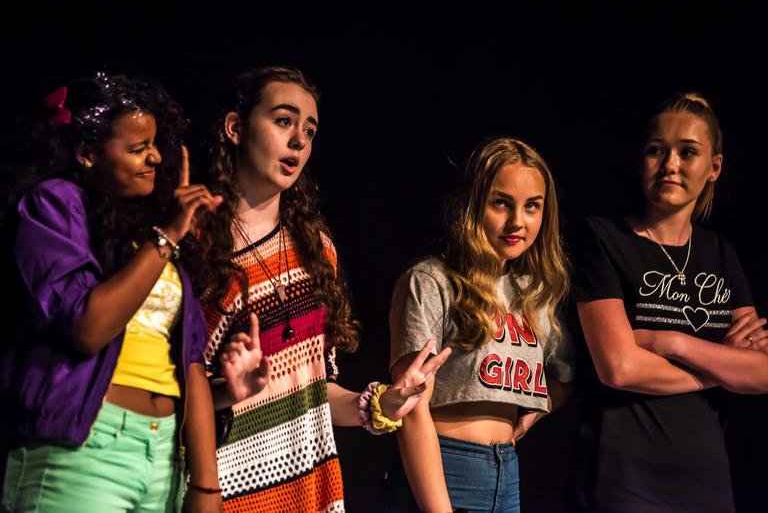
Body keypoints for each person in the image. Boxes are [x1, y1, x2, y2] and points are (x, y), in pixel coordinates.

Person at [195, 66, 450, 512]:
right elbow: (176, 389)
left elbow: (315, 392)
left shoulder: (316, 250)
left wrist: (384, 401)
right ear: (235, 128)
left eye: (309, 130)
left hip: (309, 491)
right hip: (224, 489)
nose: (298, 140)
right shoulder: (194, 245)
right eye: (283, 121)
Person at [0, 72, 222, 512]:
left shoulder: (150, 236)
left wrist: (205, 487)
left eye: (155, 143)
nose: (155, 157)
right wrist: (169, 235)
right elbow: (89, 327)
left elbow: (191, 365)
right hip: (84, 450)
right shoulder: (55, 206)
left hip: (162, 460)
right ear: (87, 154)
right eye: (138, 148)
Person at [572, 93, 768, 512]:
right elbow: (619, 368)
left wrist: (674, 343)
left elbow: (763, 373)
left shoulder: (721, 254)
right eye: (656, 151)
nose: (670, 165)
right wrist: (724, 365)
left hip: (708, 481)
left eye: (687, 152)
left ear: (715, 166)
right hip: (623, 482)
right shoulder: (602, 240)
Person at [385, 137, 574, 512]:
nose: (517, 221)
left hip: (507, 474)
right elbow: (411, 409)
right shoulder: (431, 280)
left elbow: (564, 376)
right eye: (501, 203)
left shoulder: (533, 292)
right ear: (472, 205)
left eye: (532, 206)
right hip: (445, 467)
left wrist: (532, 410)